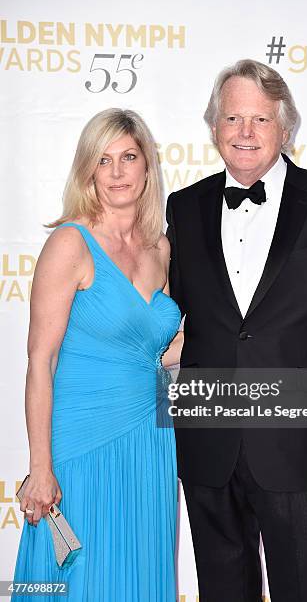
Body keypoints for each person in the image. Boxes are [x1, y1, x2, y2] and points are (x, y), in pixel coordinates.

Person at [166, 59, 307, 602]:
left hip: (300, 451)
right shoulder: (184, 208)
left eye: (259, 120)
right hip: (209, 448)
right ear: (213, 128)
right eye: (232, 118)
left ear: (285, 128)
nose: (244, 133)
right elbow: (179, 324)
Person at [13, 108, 182, 601]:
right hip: (81, 439)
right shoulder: (71, 243)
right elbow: (39, 363)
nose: (116, 172)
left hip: (149, 437)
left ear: (146, 165)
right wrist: (40, 465)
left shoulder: (160, 249)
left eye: (128, 157)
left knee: (138, 568)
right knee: (82, 578)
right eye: (103, 160)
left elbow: (157, 350)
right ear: (88, 169)